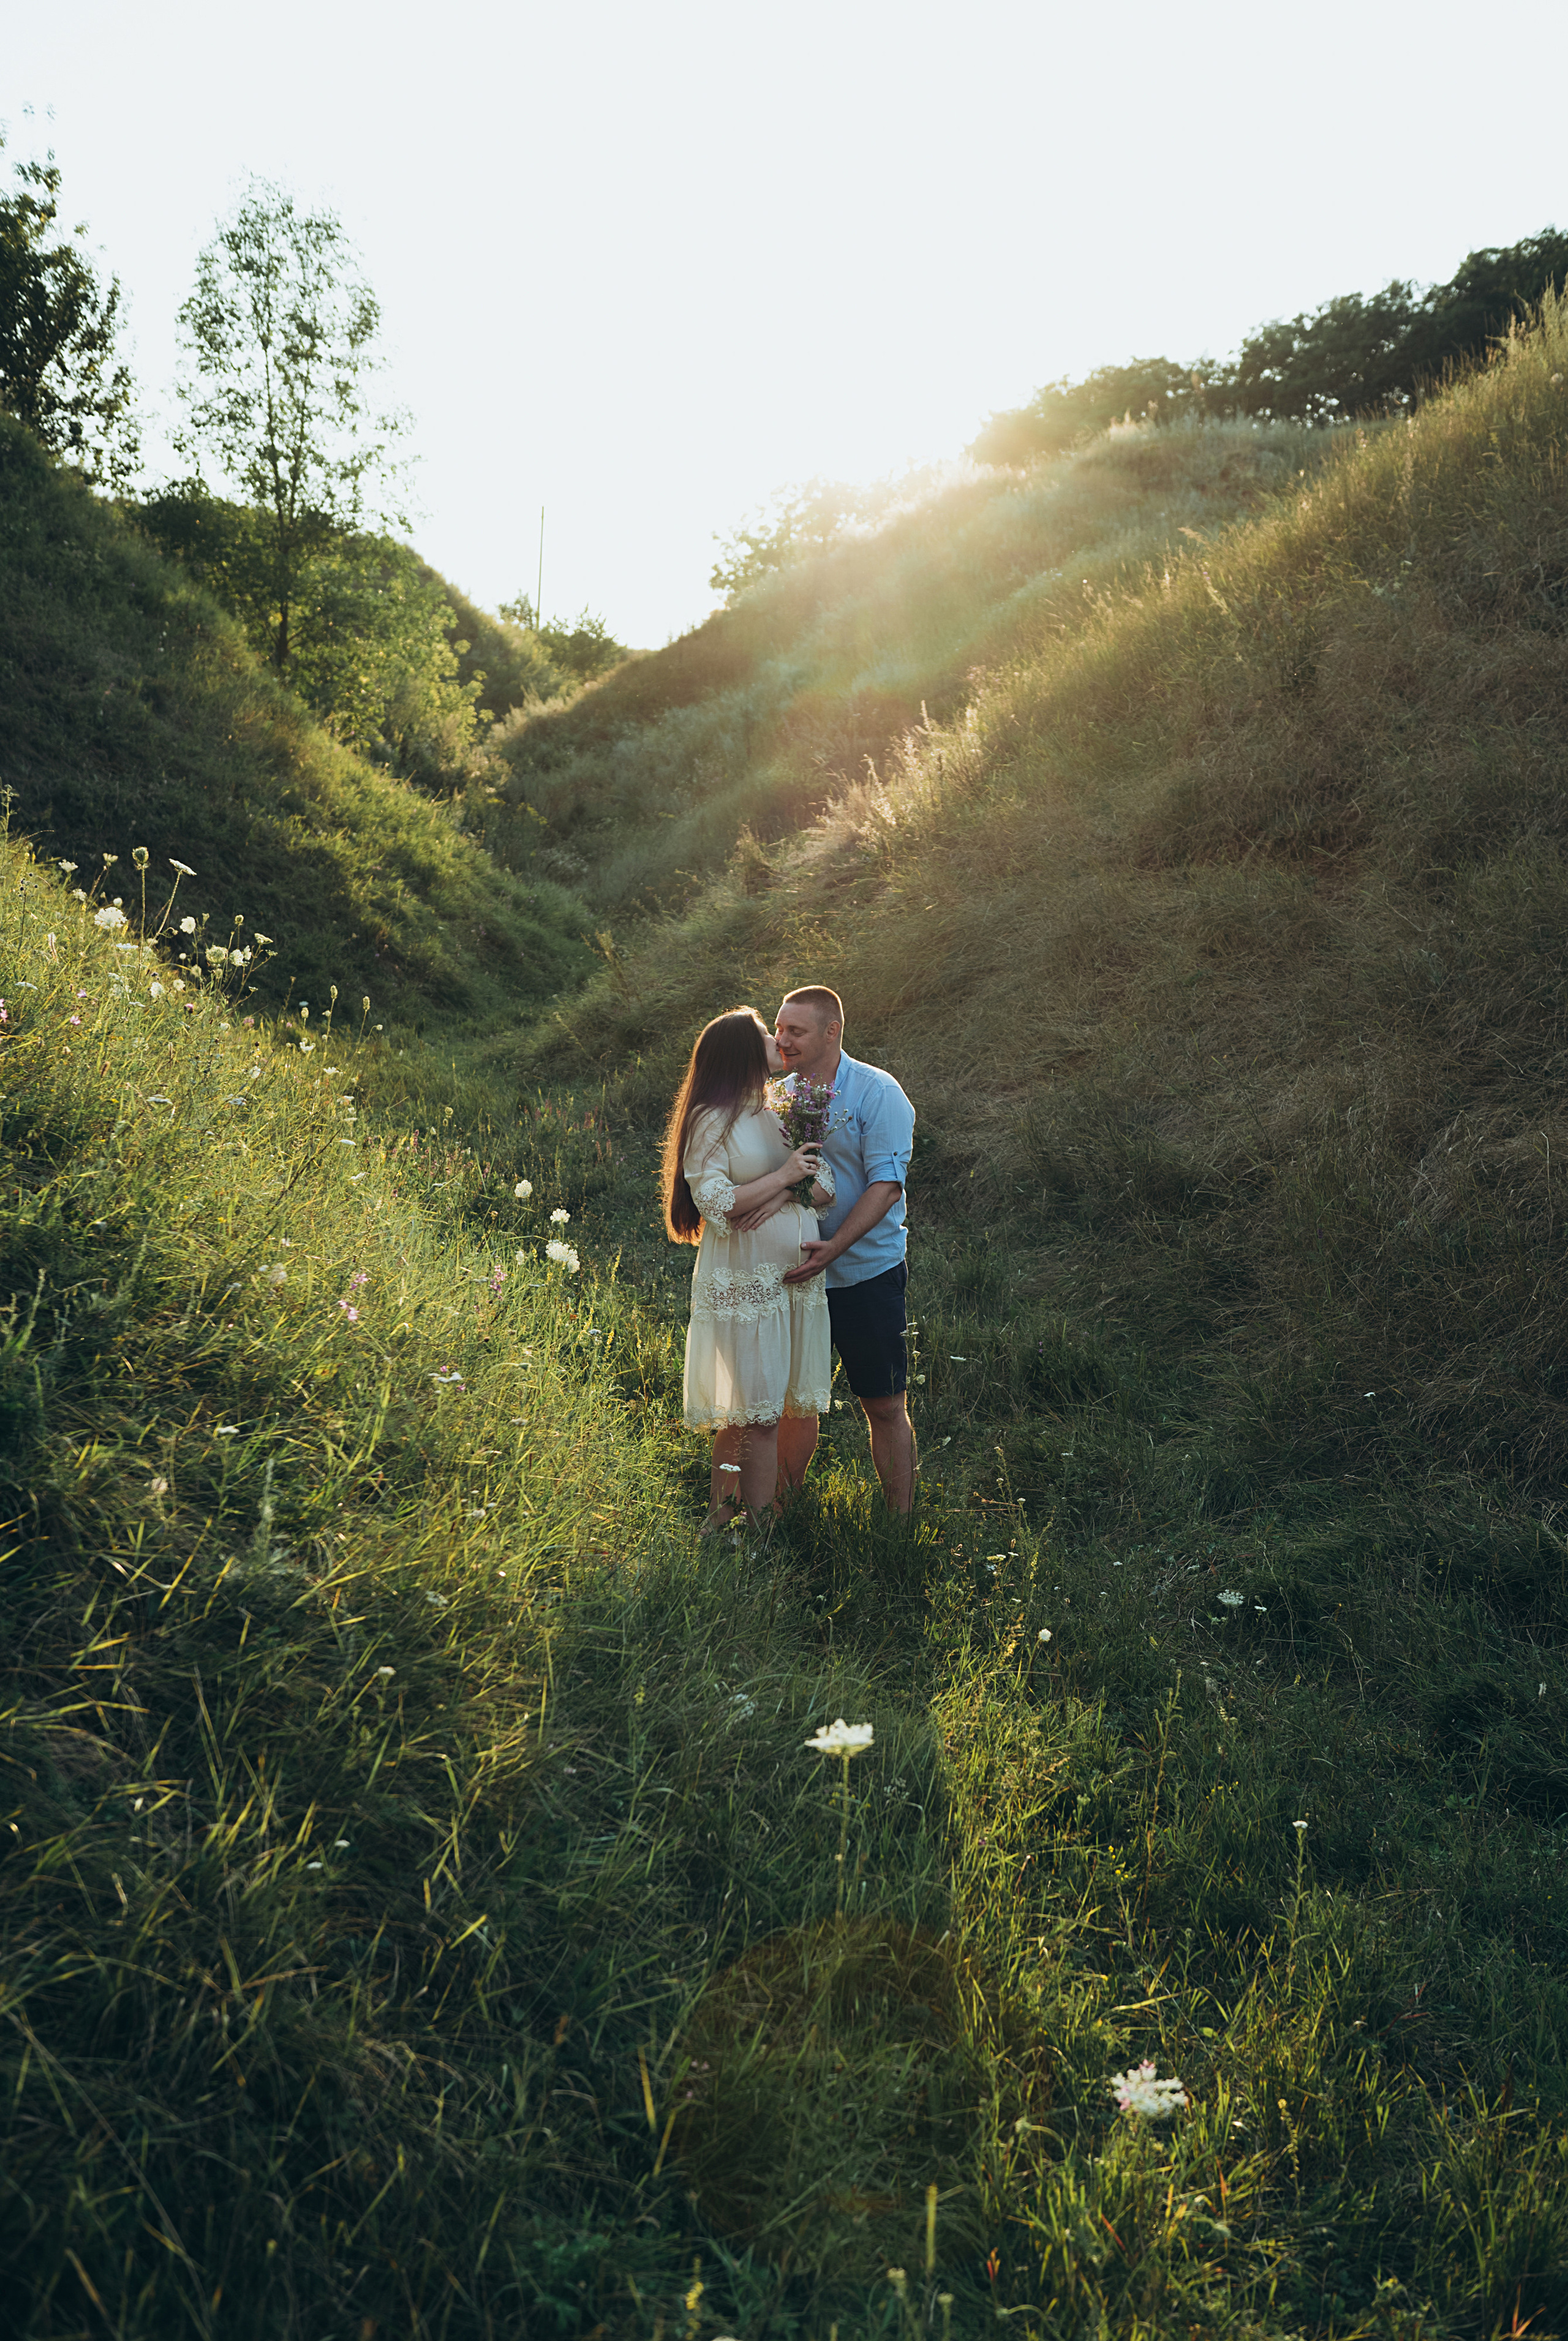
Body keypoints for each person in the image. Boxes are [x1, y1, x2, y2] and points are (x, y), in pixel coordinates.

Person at [661, 1006, 837, 1531]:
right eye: (767, 1034)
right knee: (756, 1415)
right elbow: (717, 1201)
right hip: (744, 1282)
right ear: (742, 1051)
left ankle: (718, 1521)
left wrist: (781, 1187)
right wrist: (784, 1177)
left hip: (792, 1288)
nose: (778, 1040)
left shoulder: (780, 1108)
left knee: (760, 1410)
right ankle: (760, 1536)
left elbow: (824, 1184)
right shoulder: (711, 1119)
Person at [768, 986, 918, 1512]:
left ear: (832, 1032)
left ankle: (900, 1523)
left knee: (883, 1402)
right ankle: (783, 1512)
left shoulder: (878, 1092)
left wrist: (833, 1248)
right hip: (791, 1272)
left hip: (864, 1271)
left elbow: (886, 1185)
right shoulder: (776, 1097)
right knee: (792, 1405)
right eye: (779, 1028)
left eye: (796, 1031)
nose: (782, 1040)